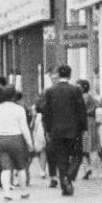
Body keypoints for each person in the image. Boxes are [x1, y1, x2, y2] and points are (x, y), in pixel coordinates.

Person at [39, 64, 88, 195]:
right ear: (70, 75)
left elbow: (46, 113)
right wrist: (84, 127)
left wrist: (47, 130)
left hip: (56, 130)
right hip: (74, 130)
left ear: (59, 75)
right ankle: (69, 177)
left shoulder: (50, 91)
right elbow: (81, 110)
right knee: (78, 155)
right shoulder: (75, 90)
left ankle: (64, 184)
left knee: (61, 158)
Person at [0, 84, 32, 199]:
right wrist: (30, 143)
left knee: (5, 168)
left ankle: (6, 193)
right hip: (17, 139)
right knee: (21, 167)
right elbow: (24, 128)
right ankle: (24, 192)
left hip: (1, 139)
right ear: (14, 96)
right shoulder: (19, 109)